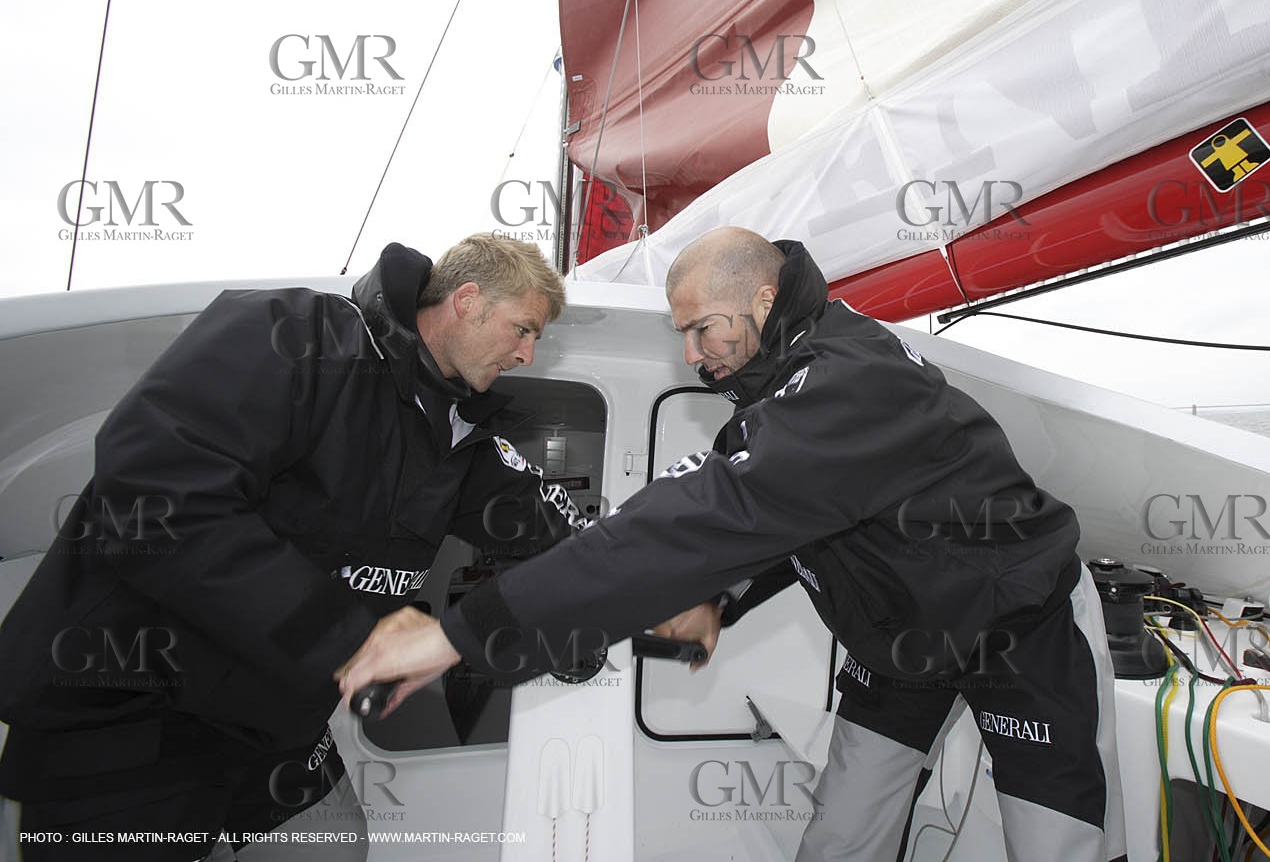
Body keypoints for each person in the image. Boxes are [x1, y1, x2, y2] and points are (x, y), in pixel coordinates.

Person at [338, 227, 1127, 861]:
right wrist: (717, 594)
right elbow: (781, 516)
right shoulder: (777, 389)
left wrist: (458, 634)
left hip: (1019, 625)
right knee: (842, 836)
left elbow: (699, 521)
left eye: (700, 329)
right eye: (684, 333)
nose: (691, 354)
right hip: (901, 641)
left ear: (762, 296)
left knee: (1055, 844)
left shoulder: (848, 384)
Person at [0, 234, 586, 860]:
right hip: (128, 717)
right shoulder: (297, 336)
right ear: (467, 300)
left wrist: (624, 599)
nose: (526, 355)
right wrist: (347, 637)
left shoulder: (458, 426)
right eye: (523, 330)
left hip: (273, 724)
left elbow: (548, 523)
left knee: (335, 849)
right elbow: (156, 497)